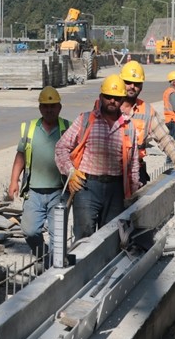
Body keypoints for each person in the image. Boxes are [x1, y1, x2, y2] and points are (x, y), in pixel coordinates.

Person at [54, 74, 132, 240]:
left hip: (115, 188)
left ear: (123, 99)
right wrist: (71, 172)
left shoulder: (128, 126)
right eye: (108, 97)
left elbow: (133, 165)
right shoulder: (86, 120)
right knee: (84, 237)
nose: (112, 101)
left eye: (117, 98)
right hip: (87, 186)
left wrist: (132, 192)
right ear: (101, 97)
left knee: (110, 237)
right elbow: (61, 147)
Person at [7, 87, 70, 256]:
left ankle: (53, 272)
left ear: (59, 107)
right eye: (45, 106)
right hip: (34, 192)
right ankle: (43, 255)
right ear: (40, 108)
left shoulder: (68, 128)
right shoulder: (31, 128)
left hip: (59, 191)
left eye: (53, 106)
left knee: (57, 235)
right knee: (29, 231)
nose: (49, 110)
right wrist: (14, 181)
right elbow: (20, 155)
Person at [120, 61, 175, 186]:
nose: (132, 86)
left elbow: (165, 139)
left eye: (136, 83)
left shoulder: (147, 111)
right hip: (110, 172)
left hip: (135, 171)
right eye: (128, 82)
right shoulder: (108, 106)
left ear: (141, 86)